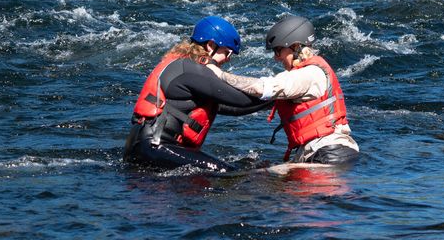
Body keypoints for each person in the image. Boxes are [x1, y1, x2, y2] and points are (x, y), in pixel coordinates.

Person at [124, 16, 266, 172]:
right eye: (227, 53)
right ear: (211, 45)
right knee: (226, 173)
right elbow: (240, 100)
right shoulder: (191, 69)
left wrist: (275, 101)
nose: (228, 60)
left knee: (237, 167)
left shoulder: (187, 66)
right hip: (155, 147)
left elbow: (233, 108)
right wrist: (281, 92)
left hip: (143, 147)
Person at [212, 15, 359, 164]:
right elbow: (248, 104)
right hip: (326, 153)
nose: (276, 58)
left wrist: (219, 74)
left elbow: (261, 88)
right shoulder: (306, 75)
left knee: (253, 178)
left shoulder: (307, 74)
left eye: (278, 50)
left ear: (295, 47)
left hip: (328, 153)